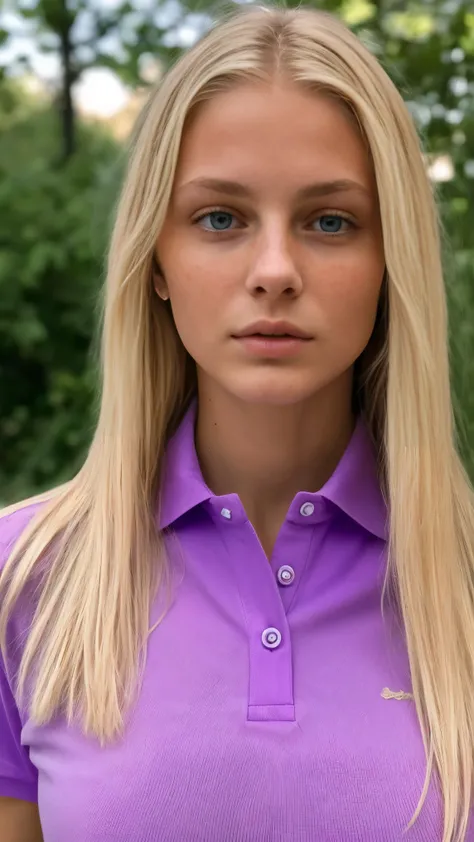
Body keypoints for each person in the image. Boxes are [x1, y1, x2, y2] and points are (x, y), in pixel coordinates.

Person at [1, 4, 474, 841]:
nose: (275, 271)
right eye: (220, 218)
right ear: (156, 259)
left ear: (390, 258)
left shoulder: (462, 582)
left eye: (331, 221)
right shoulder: (23, 583)